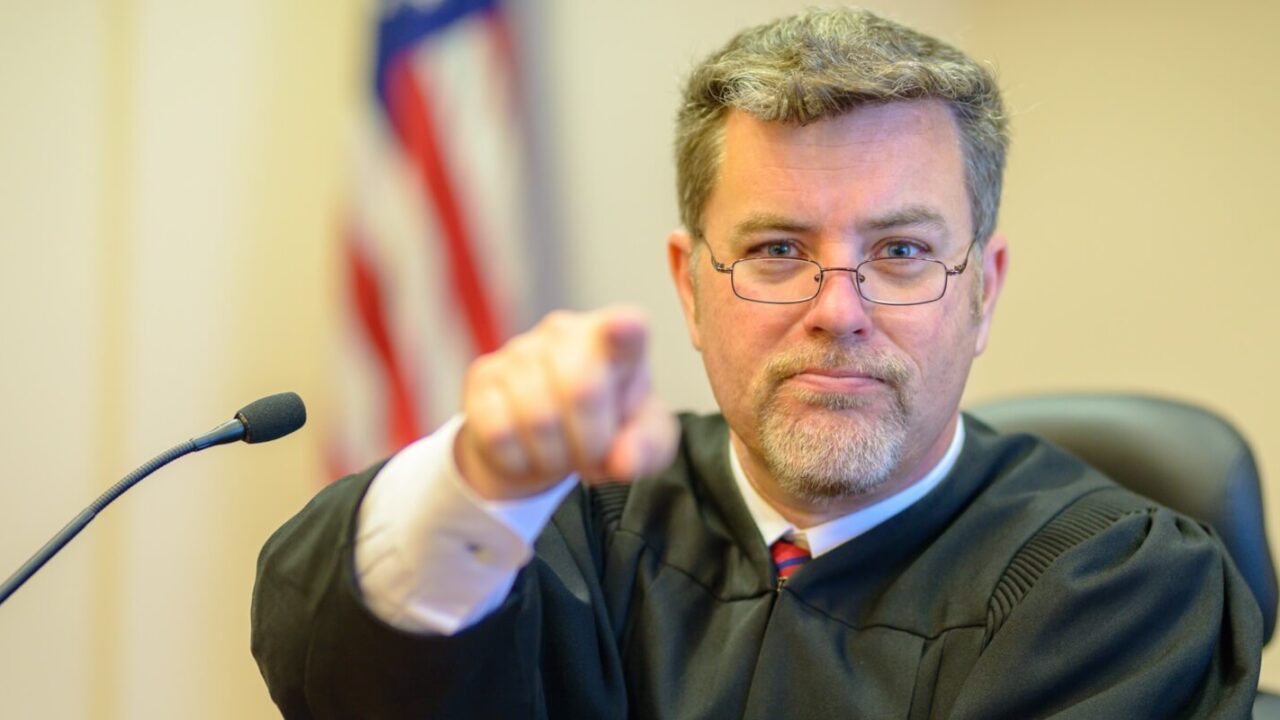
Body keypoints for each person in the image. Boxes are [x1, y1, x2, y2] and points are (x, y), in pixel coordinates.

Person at [251, 7, 1262, 718]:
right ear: (689, 285)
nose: (837, 311)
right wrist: (479, 482)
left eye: (900, 253)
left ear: (981, 288)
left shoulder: (1116, 588)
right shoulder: (568, 524)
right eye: (777, 251)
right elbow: (341, 668)